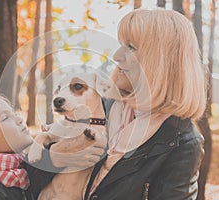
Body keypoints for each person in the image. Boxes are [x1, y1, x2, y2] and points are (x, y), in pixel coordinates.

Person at [28, 9, 207, 200]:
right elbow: (31, 182)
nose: (116, 55)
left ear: (161, 61)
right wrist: (56, 156)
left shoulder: (183, 143)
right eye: (121, 44)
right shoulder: (98, 108)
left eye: (130, 47)